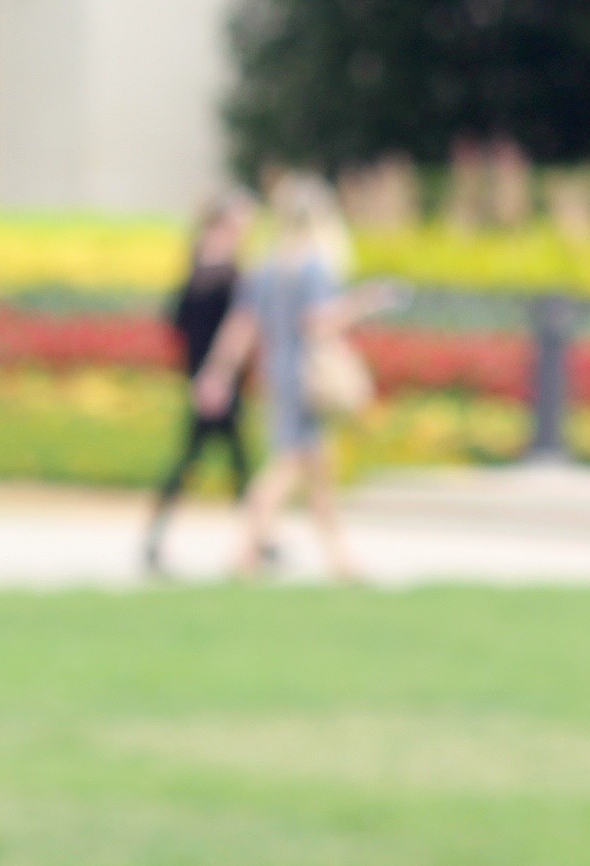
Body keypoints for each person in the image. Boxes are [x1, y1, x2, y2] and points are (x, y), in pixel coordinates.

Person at [192, 185, 405, 583]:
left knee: (317, 471)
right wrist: (368, 301)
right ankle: (246, 549)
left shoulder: (265, 268)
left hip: (280, 372)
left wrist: (218, 372)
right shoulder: (313, 268)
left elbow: (242, 327)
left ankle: (337, 559)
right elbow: (319, 323)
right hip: (309, 377)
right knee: (288, 466)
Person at [141, 192, 255, 578]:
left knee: (228, 462)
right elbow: (237, 329)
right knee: (216, 462)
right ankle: (255, 540)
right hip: (219, 380)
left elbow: (175, 325)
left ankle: (256, 539)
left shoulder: (195, 270)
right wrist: (217, 374)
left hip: (201, 377)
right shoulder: (227, 275)